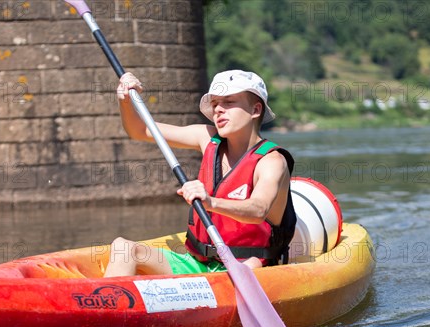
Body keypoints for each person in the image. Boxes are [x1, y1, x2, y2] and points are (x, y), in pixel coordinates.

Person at [103, 70, 296, 277]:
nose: (219, 110)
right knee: (123, 247)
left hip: (246, 265)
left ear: (255, 109)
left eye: (229, 102)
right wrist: (125, 100)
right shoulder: (206, 137)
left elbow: (258, 210)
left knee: (249, 267)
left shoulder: (272, 161)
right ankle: (102, 307)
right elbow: (140, 131)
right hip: (198, 262)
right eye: (215, 104)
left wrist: (210, 202)